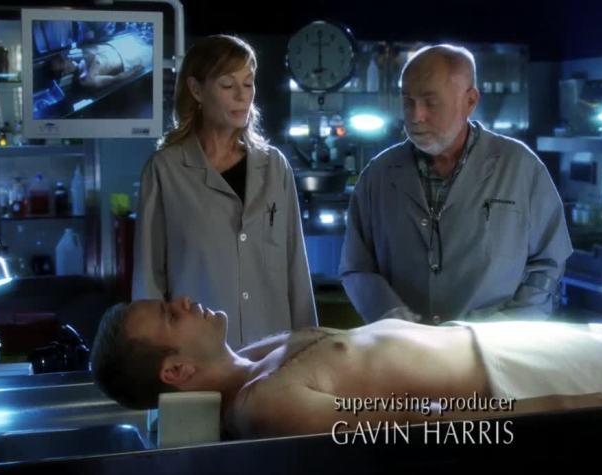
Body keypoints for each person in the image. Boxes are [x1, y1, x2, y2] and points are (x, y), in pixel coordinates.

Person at [90, 297, 602, 439]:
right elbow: (420, 425)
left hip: (505, 343)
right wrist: (559, 410)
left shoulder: (252, 357)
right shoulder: (266, 404)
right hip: (521, 381)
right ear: (176, 372)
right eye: (169, 315)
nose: (182, 301)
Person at [339, 44, 572, 325]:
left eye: (431, 102)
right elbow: (357, 266)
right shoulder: (378, 175)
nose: (416, 116)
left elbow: (548, 263)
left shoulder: (521, 167)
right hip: (404, 344)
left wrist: (509, 327)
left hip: (495, 345)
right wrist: (389, 315)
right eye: (408, 102)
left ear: (470, 101)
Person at [132, 35, 317, 349]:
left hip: (271, 353)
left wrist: (309, 347)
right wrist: (154, 356)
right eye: (228, 85)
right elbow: (148, 280)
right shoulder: (165, 170)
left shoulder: (274, 167)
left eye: (248, 84)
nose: (242, 96)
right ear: (196, 90)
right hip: (198, 354)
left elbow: (296, 268)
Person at [47, 31, 152, 91]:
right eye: (61, 63)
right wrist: (134, 71)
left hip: (122, 42)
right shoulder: (85, 79)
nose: (66, 59)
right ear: (64, 73)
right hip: (131, 58)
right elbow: (116, 79)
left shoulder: (79, 50)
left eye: (61, 59)